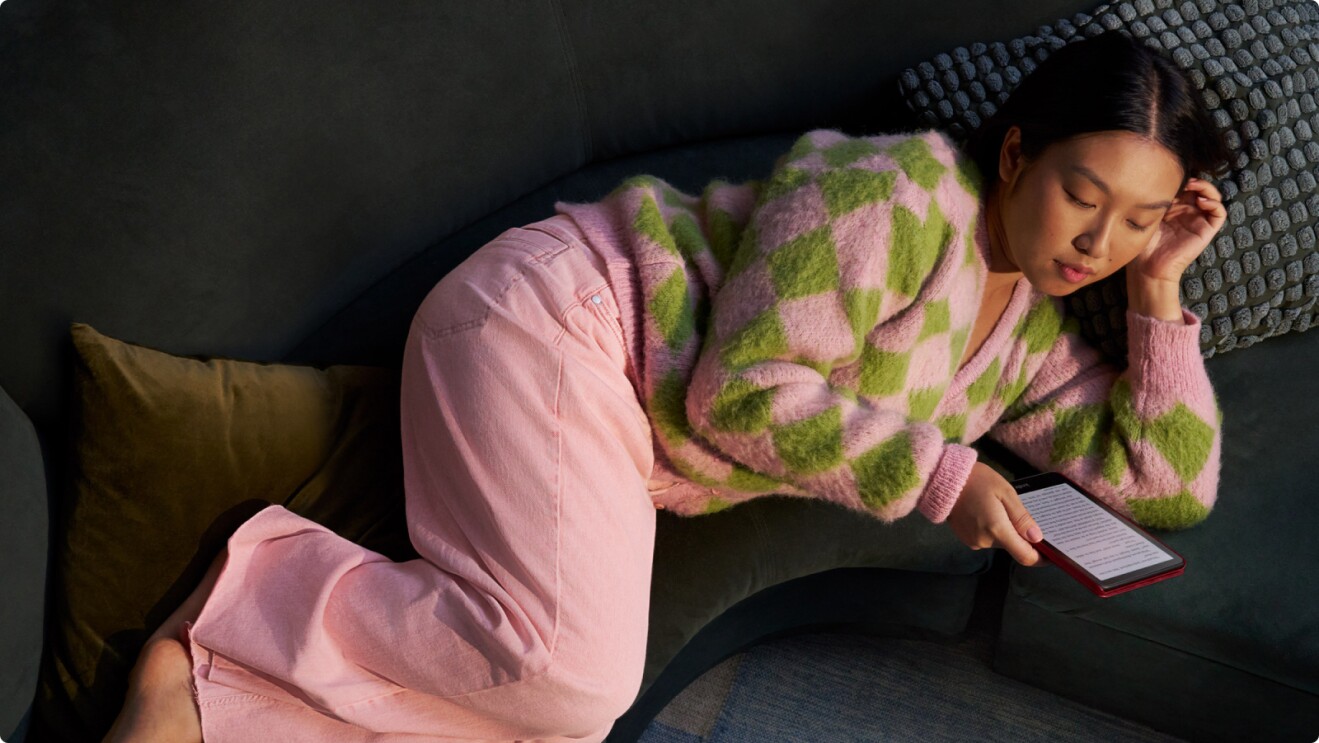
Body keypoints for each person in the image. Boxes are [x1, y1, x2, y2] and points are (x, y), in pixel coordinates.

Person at [103, 31, 1231, 743]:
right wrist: (943, 478)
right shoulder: (891, 193)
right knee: (578, 681)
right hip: (556, 317)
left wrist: (1158, 290)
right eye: (1084, 194)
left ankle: (200, 707)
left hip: (607, 407)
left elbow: (1161, 481)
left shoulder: (1029, 337)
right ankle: (255, 597)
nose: (1098, 241)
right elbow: (736, 390)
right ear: (1017, 152)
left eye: (1138, 219)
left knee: (553, 723)